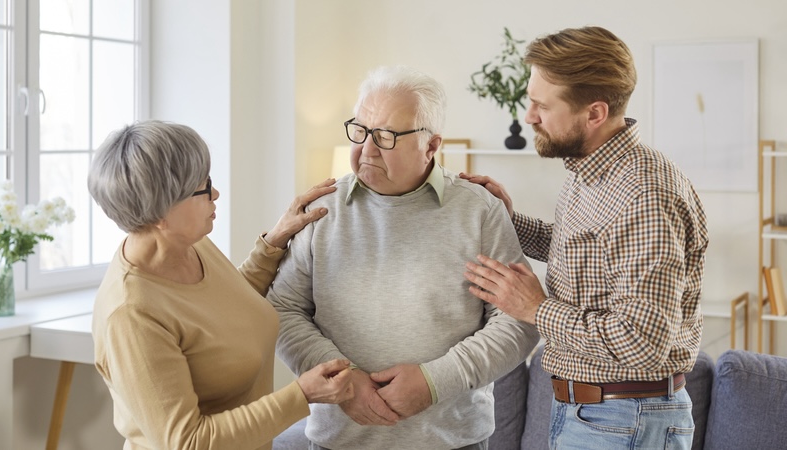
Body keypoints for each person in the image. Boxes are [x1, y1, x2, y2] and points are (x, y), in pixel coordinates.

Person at [266, 65, 539, 450]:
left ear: (431, 145)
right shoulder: (320, 210)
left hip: (453, 441)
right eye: (360, 131)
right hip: (338, 442)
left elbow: (517, 321)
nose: (367, 148)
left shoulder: (479, 210)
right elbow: (282, 310)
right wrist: (345, 382)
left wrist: (434, 382)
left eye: (387, 136)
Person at [462, 26, 709, 449]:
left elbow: (642, 342)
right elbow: (588, 254)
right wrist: (510, 220)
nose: (529, 116)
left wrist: (536, 308)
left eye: (541, 105)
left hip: (625, 421)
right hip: (598, 416)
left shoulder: (644, 195)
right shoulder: (593, 172)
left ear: (594, 113)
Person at [88, 120, 354, 450]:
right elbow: (187, 441)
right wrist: (302, 395)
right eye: (203, 188)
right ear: (161, 213)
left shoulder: (186, 244)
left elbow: (223, 312)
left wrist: (274, 241)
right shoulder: (130, 315)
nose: (215, 193)